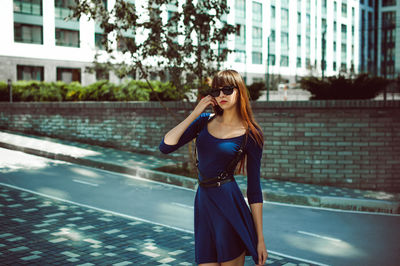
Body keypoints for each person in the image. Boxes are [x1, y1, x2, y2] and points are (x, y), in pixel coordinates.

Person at [159, 69, 268, 266]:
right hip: (203, 203)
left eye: (227, 89)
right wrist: (195, 112)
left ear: (240, 91)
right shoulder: (203, 122)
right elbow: (165, 146)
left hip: (229, 205)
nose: (221, 95)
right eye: (216, 92)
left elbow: (254, 190)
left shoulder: (251, 134)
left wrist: (260, 240)